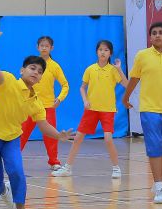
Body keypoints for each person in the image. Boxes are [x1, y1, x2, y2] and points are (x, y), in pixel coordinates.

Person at [0, 33, 74, 209]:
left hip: (11, 137)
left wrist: (58, 135)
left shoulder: (36, 102)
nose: (36, 72)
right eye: (32, 68)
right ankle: (2, 189)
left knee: (17, 172)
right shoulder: (9, 81)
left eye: (40, 71)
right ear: (22, 70)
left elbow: (43, 125)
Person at [121, 22, 162, 204]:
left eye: (161, 32)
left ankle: (161, 181)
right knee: (155, 145)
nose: (157, 35)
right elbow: (134, 79)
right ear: (150, 37)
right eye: (154, 33)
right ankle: (158, 187)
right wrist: (125, 98)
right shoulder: (142, 56)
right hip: (149, 109)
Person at [53, 40, 128, 178]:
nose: (103, 52)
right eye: (100, 49)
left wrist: (119, 69)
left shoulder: (113, 70)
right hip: (91, 109)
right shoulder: (90, 69)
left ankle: (116, 168)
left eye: (106, 50)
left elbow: (126, 85)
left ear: (110, 53)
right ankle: (67, 168)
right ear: (96, 52)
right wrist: (85, 100)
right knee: (78, 138)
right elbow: (82, 87)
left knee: (108, 139)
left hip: (108, 110)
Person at [19, 35, 69, 171]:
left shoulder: (55, 66)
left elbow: (65, 85)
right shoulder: (32, 65)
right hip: (30, 105)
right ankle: (13, 158)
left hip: (48, 107)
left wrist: (59, 98)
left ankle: (54, 162)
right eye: (42, 45)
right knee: (21, 133)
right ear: (37, 47)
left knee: (50, 136)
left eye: (47, 46)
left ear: (51, 48)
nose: (44, 48)